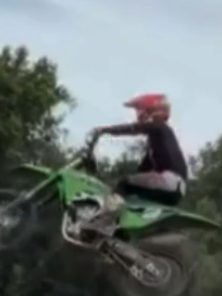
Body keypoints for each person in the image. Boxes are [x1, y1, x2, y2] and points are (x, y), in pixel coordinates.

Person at [80, 93, 189, 236]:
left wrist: (105, 130)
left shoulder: (160, 127)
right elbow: (142, 170)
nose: (138, 115)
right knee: (131, 192)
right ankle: (123, 234)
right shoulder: (156, 145)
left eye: (140, 110)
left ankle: (103, 223)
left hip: (170, 180)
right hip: (175, 189)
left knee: (124, 184)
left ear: (150, 110)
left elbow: (134, 128)